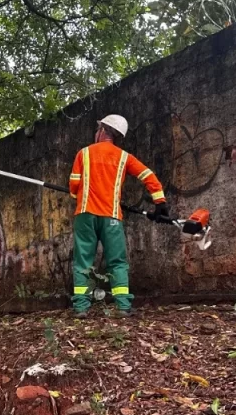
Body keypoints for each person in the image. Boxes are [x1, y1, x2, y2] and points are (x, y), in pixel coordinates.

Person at [68, 114, 168, 317]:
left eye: (98, 130)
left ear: (103, 130)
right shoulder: (124, 157)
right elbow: (148, 176)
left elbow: (74, 186)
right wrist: (160, 203)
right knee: (117, 262)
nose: (96, 133)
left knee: (83, 262)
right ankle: (123, 306)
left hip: (85, 215)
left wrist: (76, 193)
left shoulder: (84, 154)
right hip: (112, 216)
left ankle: (81, 308)